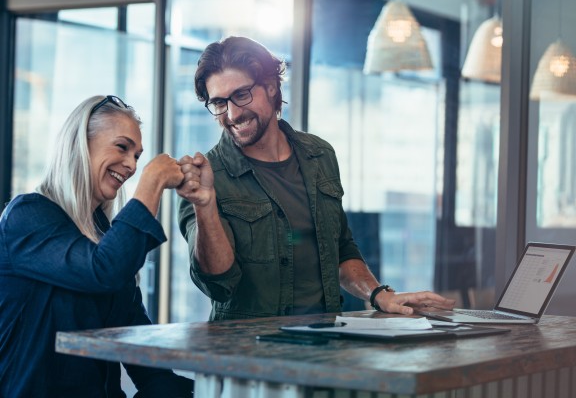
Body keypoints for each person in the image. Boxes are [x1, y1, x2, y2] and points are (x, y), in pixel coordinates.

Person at [177, 36, 455, 321]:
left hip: (324, 344)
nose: (233, 113)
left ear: (271, 87)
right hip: (245, 354)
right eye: (219, 103)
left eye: (242, 94)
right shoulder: (205, 180)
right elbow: (217, 283)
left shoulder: (319, 155)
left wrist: (378, 294)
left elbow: (340, 248)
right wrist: (205, 205)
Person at [0, 95, 193, 397]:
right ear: (80, 144)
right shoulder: (26, 217)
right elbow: (103, 270)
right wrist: (151, 182)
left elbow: (135, 339)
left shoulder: (108, 237)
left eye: (138, 156)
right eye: (122, 147)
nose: (131, 165)